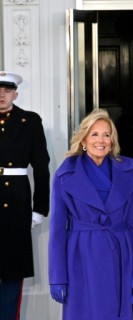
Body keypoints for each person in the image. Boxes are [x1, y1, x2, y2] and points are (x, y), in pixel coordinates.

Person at [48, 108, 133, 319]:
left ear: (112, 141)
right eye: (95, 134)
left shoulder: (128, 173)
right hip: (81, 258)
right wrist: (57, 276)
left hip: (120, 254)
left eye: (106, 135)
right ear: (83, 140)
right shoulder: (65, 174)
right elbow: (56, 229)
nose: (101, 140)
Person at [0, 71, 50, 320]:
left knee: (11, 272)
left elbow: (41, 167)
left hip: (16, 203)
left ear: (15, 94)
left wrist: (40, 209)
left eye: (7, 91)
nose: (2, 95)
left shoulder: (29, 121)